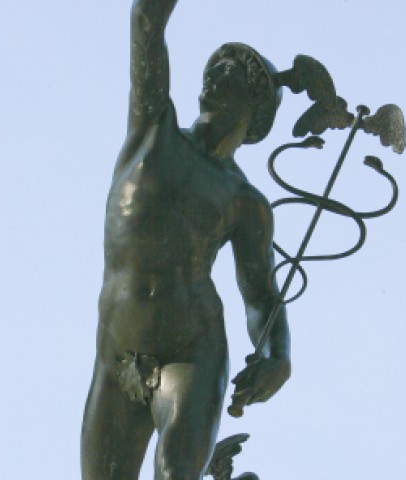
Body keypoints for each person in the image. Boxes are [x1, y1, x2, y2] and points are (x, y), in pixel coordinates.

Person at [81, 1, 291, 478]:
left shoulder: (244, 200)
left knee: (175, 472)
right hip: (116, 354)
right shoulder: (153, 127)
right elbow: (146, 22)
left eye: (230, 72)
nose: (212, 76)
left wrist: (278, 356)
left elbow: (261, 296)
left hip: (190, 351)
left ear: (255, 107)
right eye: (212, 67)